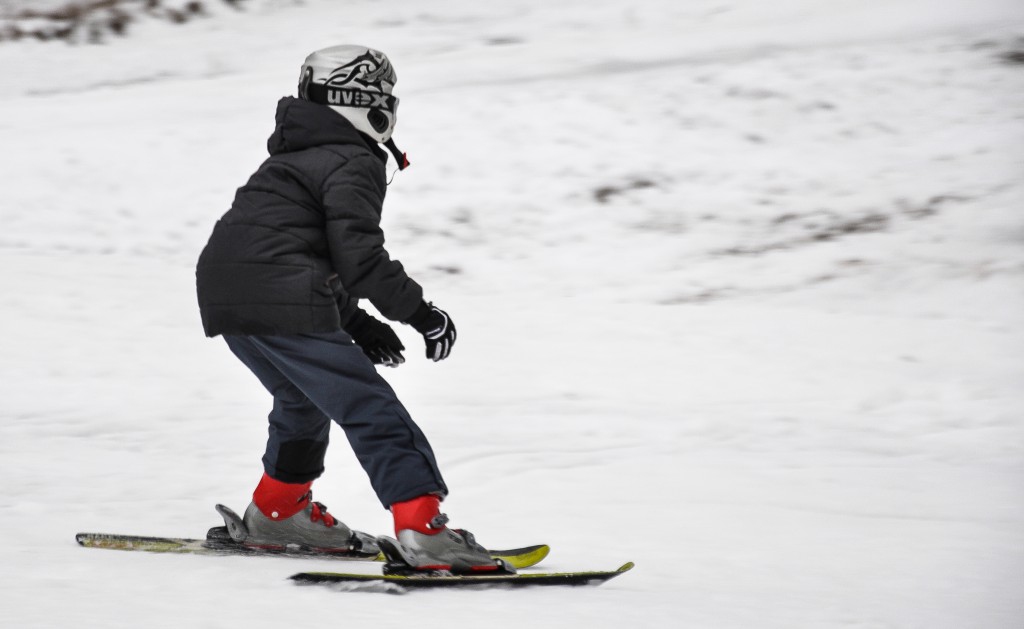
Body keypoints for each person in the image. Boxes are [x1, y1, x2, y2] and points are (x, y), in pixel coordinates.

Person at [195, 45, 494, 571]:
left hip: (225, 291)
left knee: (301, 401)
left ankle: (277, 511)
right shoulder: (354, 159)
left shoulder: (295, 155)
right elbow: (360, 260)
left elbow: (293, 252)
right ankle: (423, 529)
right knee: (370, 407)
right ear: (364, 100)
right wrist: (424, 315)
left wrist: (356, 322)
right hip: (277, 293)